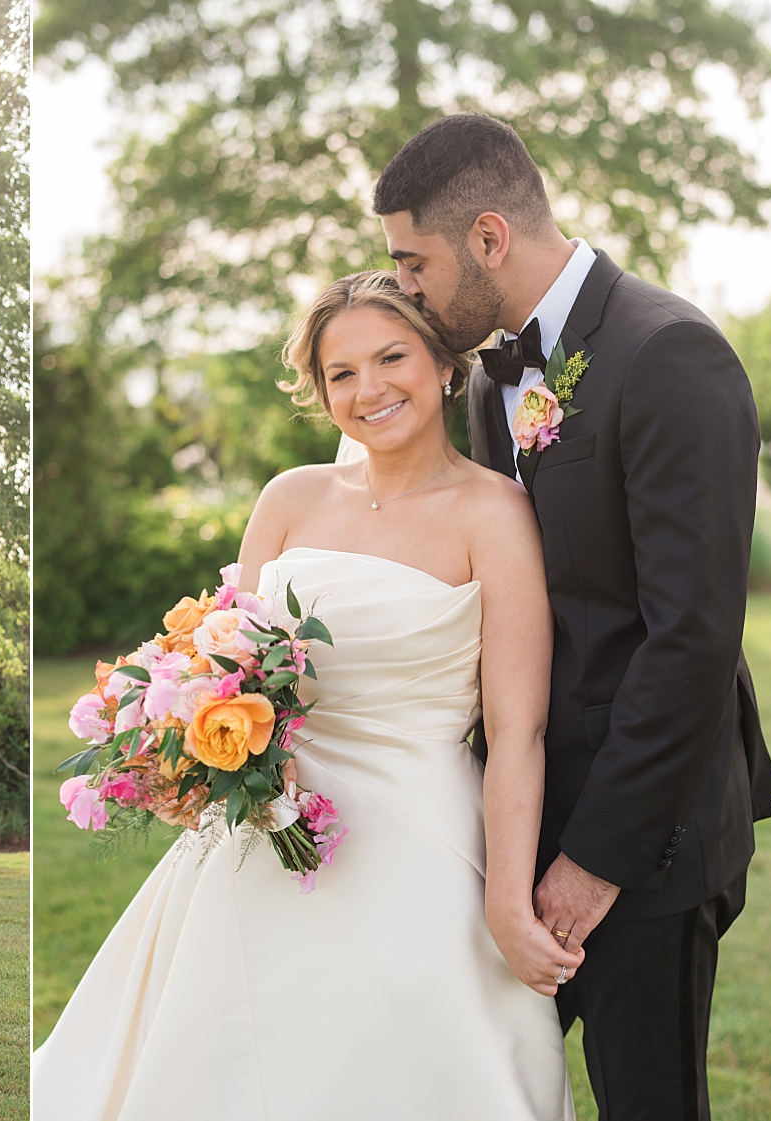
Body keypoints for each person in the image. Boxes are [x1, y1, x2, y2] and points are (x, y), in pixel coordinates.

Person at [33, 269, 582, 1119]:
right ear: (320, 391)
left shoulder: (495, 513)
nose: (370, 389)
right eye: (341, 373)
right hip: (260, 825)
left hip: (420, 836)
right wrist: (185, 737)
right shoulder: (287, 499)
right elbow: (228, 660)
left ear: (443, 363)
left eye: (391, 357)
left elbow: (519, 731)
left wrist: (506, 900)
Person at [372, 112, 771, 1121]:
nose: (403, 289)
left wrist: (595, 861)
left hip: (649, 834)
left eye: (411, 261)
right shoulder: (493, 375)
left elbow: (690, 640)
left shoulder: (670, 354)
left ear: (489, 238)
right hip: (522, 818)